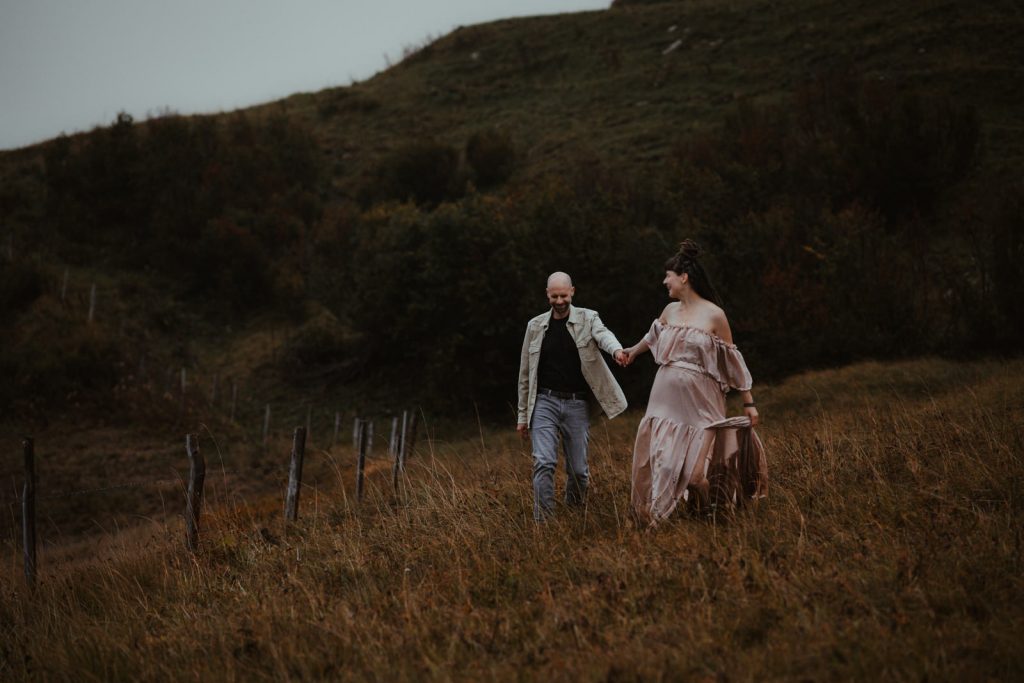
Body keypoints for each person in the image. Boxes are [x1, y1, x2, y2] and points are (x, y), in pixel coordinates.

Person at [621, 240, 767, 526]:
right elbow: (652, 337)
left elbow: (732, 361)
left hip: (700, 405)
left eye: (669, 276)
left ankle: (715, 513)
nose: (665, 281)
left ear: (684, 277)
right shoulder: (669, 311)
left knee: (696, 475)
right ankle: (690, 518)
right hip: (663, 403)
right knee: (664, 463)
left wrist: (748, 401)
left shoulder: (714, 315)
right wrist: (632, 352)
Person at [517, 272, 629, 521]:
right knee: (544, 462)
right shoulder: (535, 327)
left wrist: (616, 350)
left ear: (572, 292)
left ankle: (575, 513)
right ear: (547, 294)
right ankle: (543, 522)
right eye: (554, 296)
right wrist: (523, 416)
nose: (559, 301)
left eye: (563, 295)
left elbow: (603, 335)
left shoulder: (588, 318)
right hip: (544, 402)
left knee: (578, 471)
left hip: (577, 404)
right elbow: (525, 375)